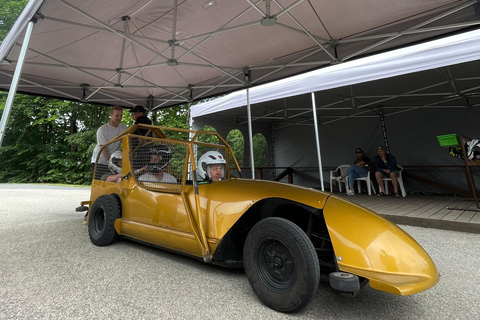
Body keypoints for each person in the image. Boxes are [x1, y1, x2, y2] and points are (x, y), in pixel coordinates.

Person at [90, 106, 128, 179]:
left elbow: (127, 143)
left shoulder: (124, 128)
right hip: (100, 161)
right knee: (100, 185)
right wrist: (108, 162)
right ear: (110, 115)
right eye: (117, 116)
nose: (119, 118)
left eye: (121, 116)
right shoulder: (102, 130)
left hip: (113, 161)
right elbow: (104, 148)